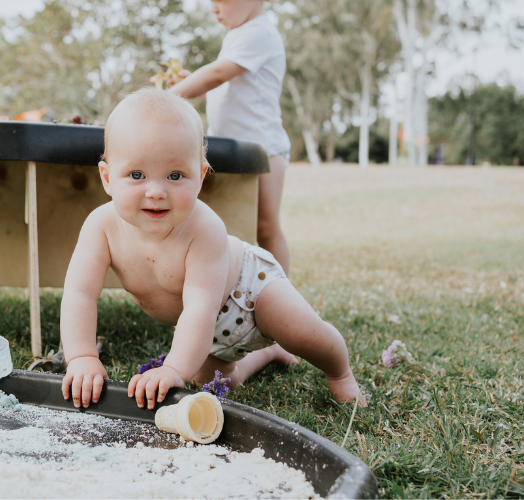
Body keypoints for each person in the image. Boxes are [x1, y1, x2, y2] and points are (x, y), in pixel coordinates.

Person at [60, 88, 363, 410]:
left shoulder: (205, 228)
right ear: (107, 178)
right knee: (215, 379)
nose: (156, 191)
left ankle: (340, 373)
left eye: (176, 176)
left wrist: (173, 368)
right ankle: (267, 353)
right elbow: (80, 294)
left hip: (250, 289)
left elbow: (199, 308)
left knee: (305, 335)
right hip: (206, 327)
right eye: (136, 175)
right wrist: (81, 357)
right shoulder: (100, 227)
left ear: (201, 177)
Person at [167, 0, 291, 274]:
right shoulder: (237, 35)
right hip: (233, 151)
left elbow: (218, 74)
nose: (213, 9)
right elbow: (227, 92)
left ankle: (284, 298)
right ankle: (235, 290)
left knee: (266, 228)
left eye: (220, 1)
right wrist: (194, 87)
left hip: (263, 150)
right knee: (231, 225)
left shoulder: (259, 32)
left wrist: (165, 98)